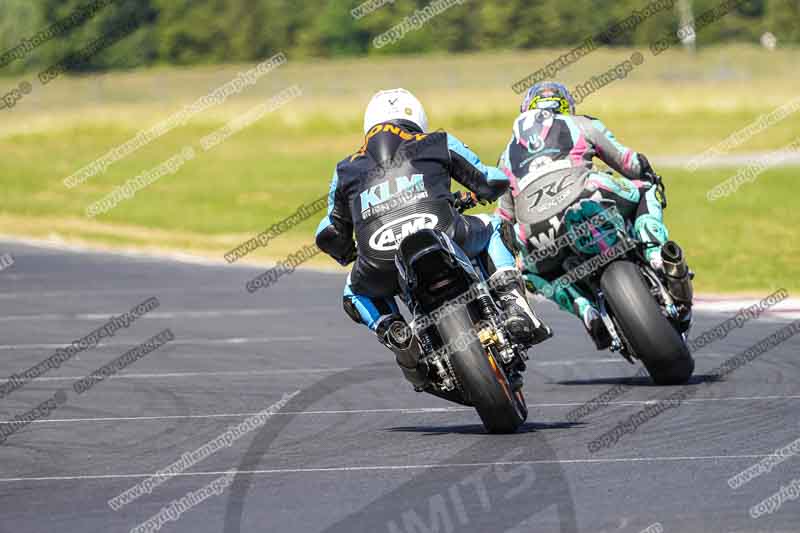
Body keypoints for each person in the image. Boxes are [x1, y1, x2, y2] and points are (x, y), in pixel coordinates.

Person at [315, 88, 551, 387]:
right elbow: (488, 179)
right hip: (445, 234)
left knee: (354, 290)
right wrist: (489, 189)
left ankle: (394, 330)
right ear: (418, 117)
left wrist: (347, 252)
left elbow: (329, 232)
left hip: (380, 259)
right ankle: (513, 303)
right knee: (493, 226)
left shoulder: (345, 168)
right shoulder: (438, 141)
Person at [495, 81, 692, 349]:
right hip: (588, 196)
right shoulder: (581, 123)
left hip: (535, 231)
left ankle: (584, 309)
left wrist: (518, 257)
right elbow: (628, 162)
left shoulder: (505, 157)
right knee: (646, 188)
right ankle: (655, 252)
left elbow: (504, 219)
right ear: (566, 106)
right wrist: (647, 173)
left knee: (530, 273)